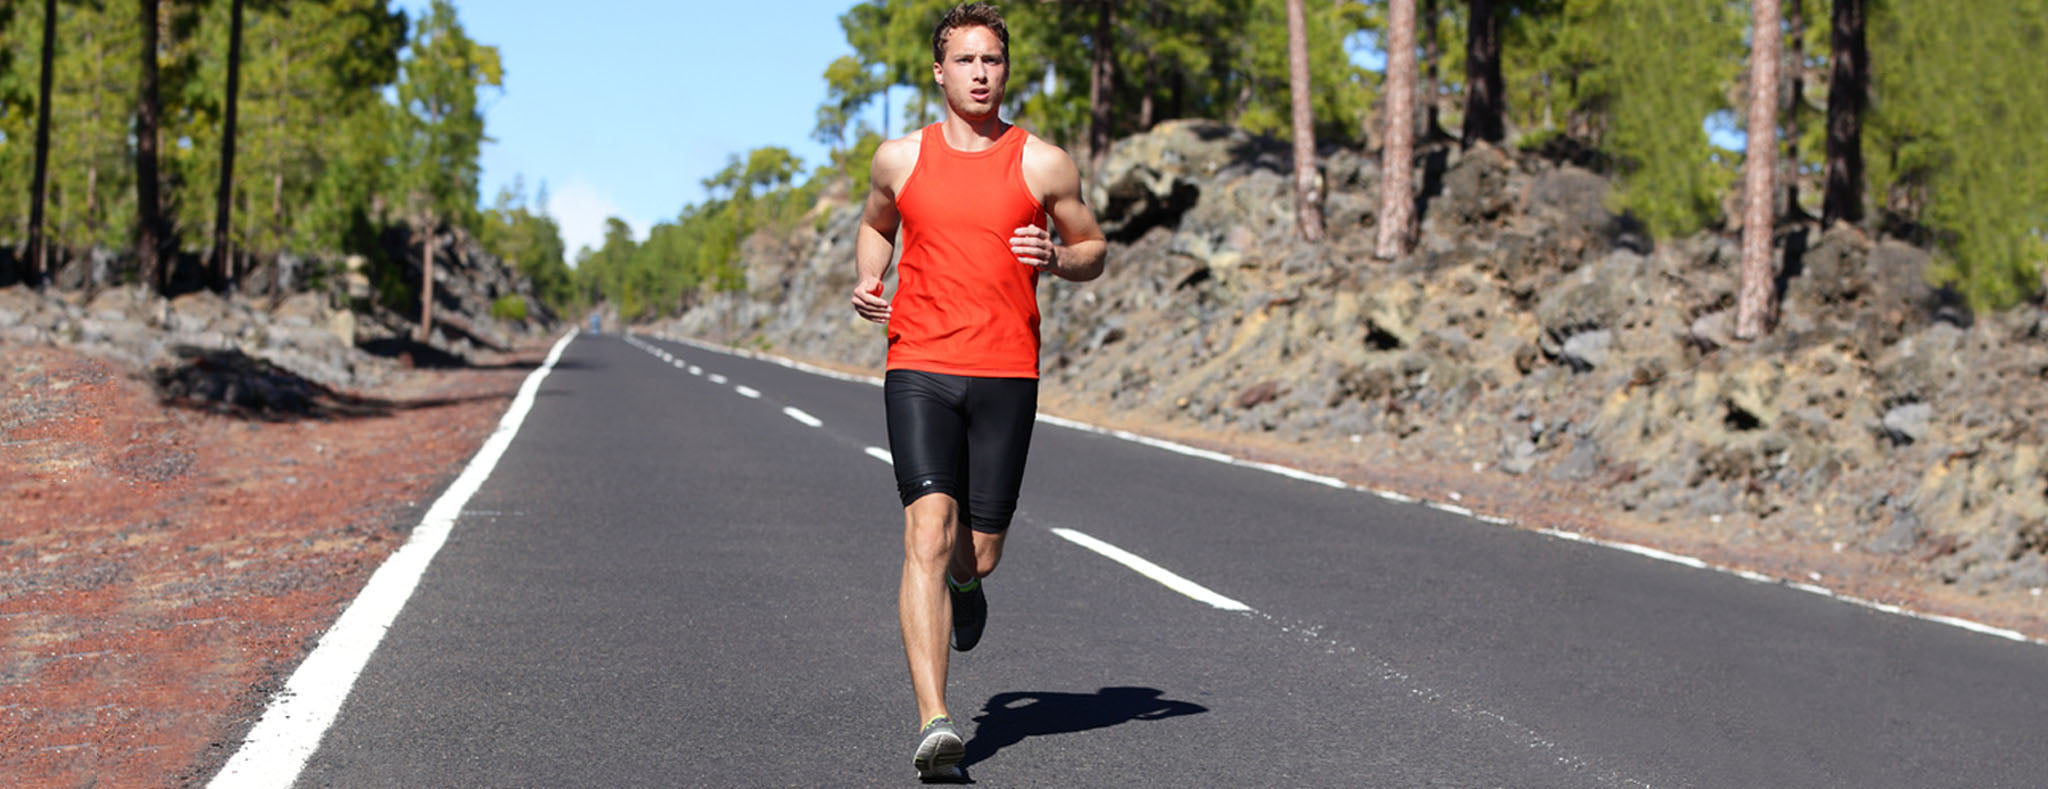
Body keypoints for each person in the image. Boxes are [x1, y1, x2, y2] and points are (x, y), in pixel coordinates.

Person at [848, 2, 1107, 779]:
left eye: (992, 59)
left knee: (977, 552)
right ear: (940, 71)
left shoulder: (1042, 163)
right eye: (965, 60)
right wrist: (869, 275)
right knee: (925, 530)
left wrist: (1059, 258)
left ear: (1006, 68)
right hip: (919, 362)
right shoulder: (900, 159)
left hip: (1006, 370)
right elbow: (876, 224)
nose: (981, 73)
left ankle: (967, 583)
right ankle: (936, 722)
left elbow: (1094, 247)